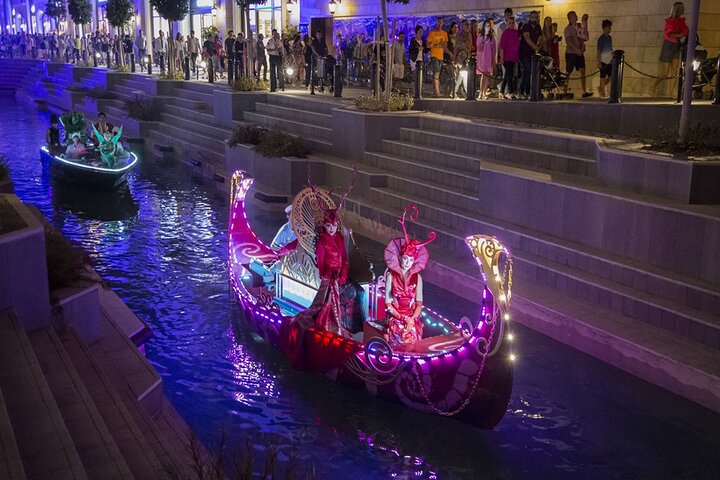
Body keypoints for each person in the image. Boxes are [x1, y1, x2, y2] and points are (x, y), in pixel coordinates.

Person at [384, 206, 436, 347]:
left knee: (413, 333)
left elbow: (419, 303)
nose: (407, 263)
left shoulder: (417, 278)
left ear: (414, 261)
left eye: (411, 260)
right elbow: (388, 303)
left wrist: (412, 318)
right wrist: (401, 317)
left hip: (411, 317)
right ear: (400, 258)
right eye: (405, 258)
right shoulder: (391, 276)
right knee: (401, 335)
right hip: (395, 316)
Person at [654, 2, 688, 97]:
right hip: (668, 46)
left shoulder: (681, 21)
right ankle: (653, 87)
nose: (683, 10)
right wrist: (680, 34)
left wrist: (681, 34)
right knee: (665, 73)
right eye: (681, 8)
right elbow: (669, 34)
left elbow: (686, 31)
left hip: (676, 46)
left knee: (674, 72)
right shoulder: (670, 21)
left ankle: (671, 93)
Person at [564, 11, 593, 98]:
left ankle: (584, 91)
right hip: (571, 53)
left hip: (579, 53)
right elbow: (569, 41)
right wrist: (577, 49)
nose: (576, 17)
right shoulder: (567, 29)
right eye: (574, 16)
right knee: (568, 72)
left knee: (582, 70)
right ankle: (564, 91)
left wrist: (582, 47)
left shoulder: (579, 26)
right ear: (569, 18)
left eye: (576, 16)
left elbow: (583, 36)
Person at [519, 10, 542, 99]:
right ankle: (523, 91)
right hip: (524, 52)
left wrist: (539, 47)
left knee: (532, 71)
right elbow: (526, 37)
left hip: (532, 53)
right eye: (532, 17)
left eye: (536, 17)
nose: (534, 19)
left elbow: (541, 38)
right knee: (527, 70)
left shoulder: (538, 27)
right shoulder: (526, 26)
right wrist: (535, 46)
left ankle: (530, 90)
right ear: (530, 17)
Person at [499, 16, 521, 100]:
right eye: (509, 23)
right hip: (506, 57)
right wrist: (501, 58)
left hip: (514, 57)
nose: (511, 24)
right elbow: (502, 47)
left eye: (512, 22)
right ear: (507, 24)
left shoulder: (516, 33)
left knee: (507, 74)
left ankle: (501, 91)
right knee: (510, 74)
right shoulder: (505, 33)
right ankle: (511, 92)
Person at [427, 17, 449, 97]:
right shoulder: (432, 33)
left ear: (442, 23)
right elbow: (428, 45)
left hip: (441, 56)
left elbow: (445, 46)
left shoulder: (444, 33)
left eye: (441, 22)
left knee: (437, 74)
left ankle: (435, 91)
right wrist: (436, 45)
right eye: (438, 22)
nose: (439, 24)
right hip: (434, 55)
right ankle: (437, 92)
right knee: (436, 72)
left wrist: (450, 53)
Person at [476, 19, 497, 100]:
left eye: (489, 26)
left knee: (487, 75)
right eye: (486, 26)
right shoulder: (480, 36)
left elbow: (494, 49)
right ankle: (481, 92)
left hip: (489, 58)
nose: (487, 27)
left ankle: (484, 92)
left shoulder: (492, 38)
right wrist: (484, 41)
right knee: (483, 74)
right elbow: (479, 48)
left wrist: (494, 60)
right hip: (482, 57)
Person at [597, 19, 613, 97]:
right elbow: (598, 51)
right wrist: (599, 62)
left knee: (611, 76)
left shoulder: (609, 38)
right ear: (604, 28)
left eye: (610, 28)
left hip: (609, 61)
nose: (609, 29)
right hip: (603, 61)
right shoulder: (601, 39)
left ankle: (601, 87)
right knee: (602, 77)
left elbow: (611, 48)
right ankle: (602, 92)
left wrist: (612, 56)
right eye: (608, 27)